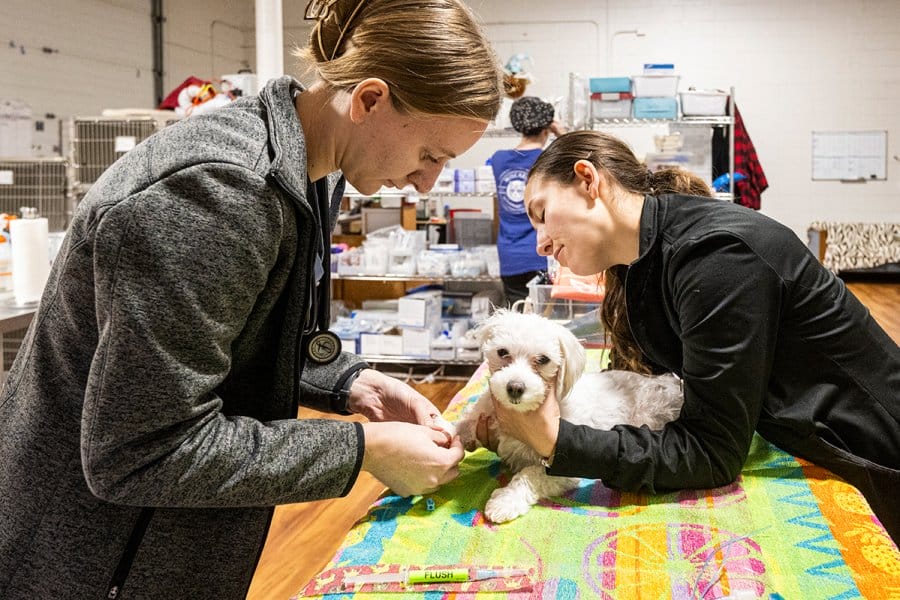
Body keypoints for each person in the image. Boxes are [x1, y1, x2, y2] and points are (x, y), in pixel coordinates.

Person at [0, 1, 505, 597]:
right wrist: (364, 448)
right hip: (95, 560)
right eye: (430, 155)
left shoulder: (309, 170)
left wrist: (351, 383)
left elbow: (244, 329)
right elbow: (141, 449)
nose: (428, 182)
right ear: (369, 99)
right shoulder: (219, 193)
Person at [486, 129, 900, 545]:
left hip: (872, 458)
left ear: (587, 180)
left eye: (541, 213)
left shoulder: (718, 256)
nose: (539, 242)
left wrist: (557, 439)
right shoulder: (643, 261)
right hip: (805, 442)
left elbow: (712, 452)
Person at [489, 96, 565, 305]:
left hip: (509, 255)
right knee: (544, 316)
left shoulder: (498, 159)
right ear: (546, 129)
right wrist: (562, 134)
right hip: (540, 254)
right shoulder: (547, 160)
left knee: (518, 315)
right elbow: (576, 157)